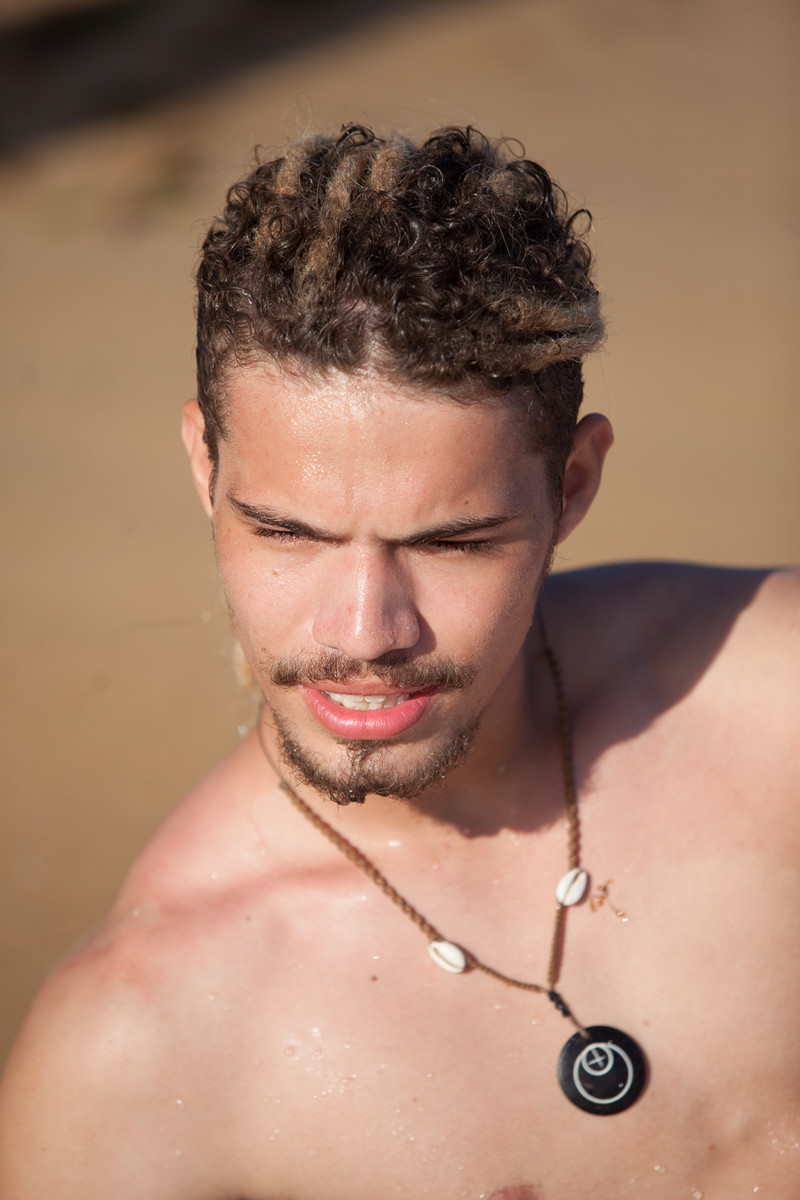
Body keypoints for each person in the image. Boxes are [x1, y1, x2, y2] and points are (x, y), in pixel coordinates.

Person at [0, 124, 797, 1199]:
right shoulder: (145, 1055)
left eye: (448, 543)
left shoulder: (772, 708)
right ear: (205, 464)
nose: (366, 631)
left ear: (570, 484)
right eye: (287, 532)